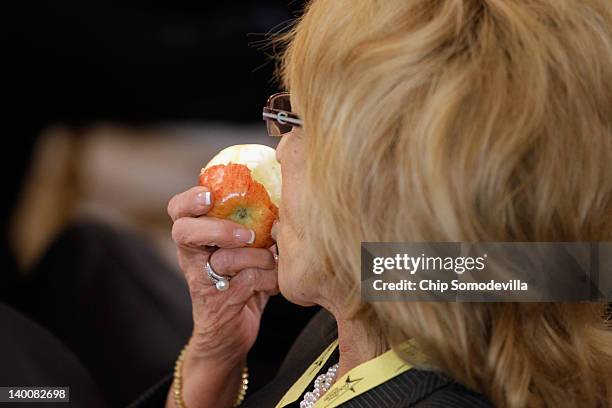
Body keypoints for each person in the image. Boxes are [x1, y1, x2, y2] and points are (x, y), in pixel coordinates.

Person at [137, 0, 612, 407]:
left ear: (392, 187)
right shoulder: (379, 299)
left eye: (300, 121)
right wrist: (215, 353)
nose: (281, 151)